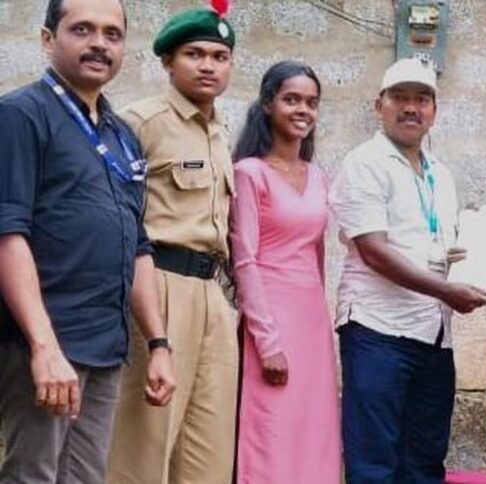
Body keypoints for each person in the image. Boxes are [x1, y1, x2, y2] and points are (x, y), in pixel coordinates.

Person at [0, 0, 175, 482]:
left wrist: (159, 344)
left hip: (104, 345)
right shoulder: (20, 116)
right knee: (33, 475)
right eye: (82, 30)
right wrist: (43, 346)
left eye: (112, 34)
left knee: (84, 477)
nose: (99, 43)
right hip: (45, 343)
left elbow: (137, 245)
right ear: (47, 39)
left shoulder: (122, 136)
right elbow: (7, 234)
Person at [329, 57, 486, 483]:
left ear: (434, 111)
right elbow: (375, 252)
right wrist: (447, 290)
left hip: (434, 336)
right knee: (374, 463)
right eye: (399, 98)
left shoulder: (441, 174)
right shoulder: (364, 163)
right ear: (378, 105)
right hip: (378, 331)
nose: (410, 108)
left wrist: (482, 264)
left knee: (424, 462)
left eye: (422, 99)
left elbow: (441, 246)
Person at [106, 4, 238, 484]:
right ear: (167, 61)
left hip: (212, 294)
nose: (208, 66)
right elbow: (118, 220)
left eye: (219, 57)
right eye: (194, 54)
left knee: (209, 453)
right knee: (143, 446)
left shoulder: (219, 131)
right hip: (158, 287)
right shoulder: (139, 122)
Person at [230, 60, 341, 483]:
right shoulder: (249, 173)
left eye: (311, 102)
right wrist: (266, 340)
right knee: (272, 429)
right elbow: (245, 260)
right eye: (291, 99)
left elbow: (317, 255)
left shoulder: (318, 177)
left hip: (311, 322)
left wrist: (322, 325)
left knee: (314, 433)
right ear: (267, 104)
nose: (303, 110)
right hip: (271, 319)